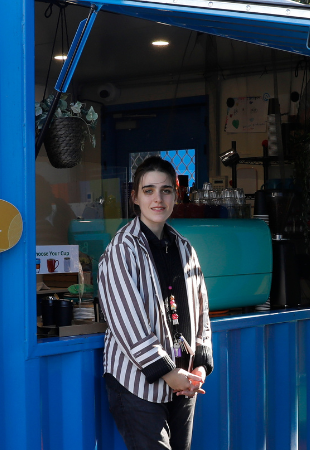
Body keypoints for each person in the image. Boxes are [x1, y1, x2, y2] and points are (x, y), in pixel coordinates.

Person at [99, 156, 213, 450]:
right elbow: (127, 323)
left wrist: (199, 365)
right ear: (135, 197)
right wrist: (167, 373)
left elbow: (201, 311)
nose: (158, 199)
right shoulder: (122, 249)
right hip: (139, 386)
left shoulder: (184, 247)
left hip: (184, 382)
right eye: (148, 190)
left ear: (176, 194)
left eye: (166, 190)